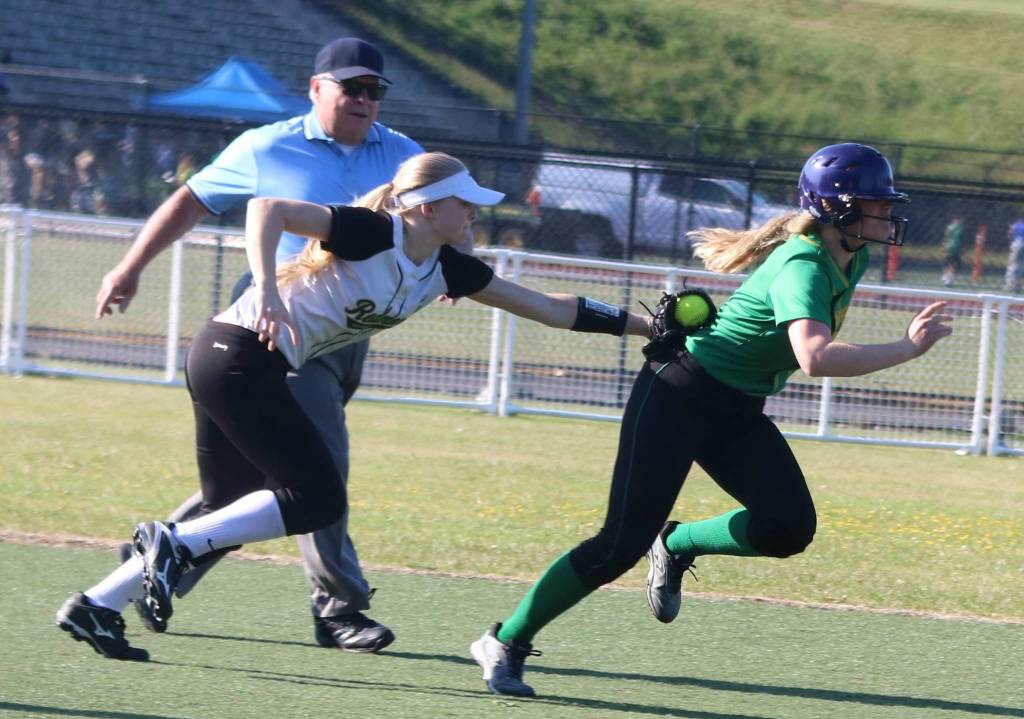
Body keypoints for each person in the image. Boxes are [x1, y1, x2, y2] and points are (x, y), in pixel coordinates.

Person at [56, 151, 652, 662]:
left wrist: (648, 325)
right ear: (426, 208)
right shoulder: (372, 231)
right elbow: (266, 208)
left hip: (234, 361)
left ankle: (97, 605)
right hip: (235, 355)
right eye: (464, 202)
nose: (475, 212)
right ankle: (172, 543)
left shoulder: (447, 268)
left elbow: (550, 308)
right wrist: (266, 289)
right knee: (316, 498)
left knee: (228, 504)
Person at [468, 143, 953, 698]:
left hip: (736, 406)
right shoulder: (804, 264)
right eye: (876, 202)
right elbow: (815, 357)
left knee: (788, 527)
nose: (887, 211)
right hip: (678, 391)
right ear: (835, 208)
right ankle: (504, 641)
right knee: (618, 544)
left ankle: (677, 543)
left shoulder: (851, 254)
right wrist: (906, 348)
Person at [93, 37, 423, 652]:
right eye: (351, 87)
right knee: (321, 468)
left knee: (255, 483)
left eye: (374, 89)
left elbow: (441, 215)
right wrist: (130, 266)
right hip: (277, 325)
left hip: (349, 331)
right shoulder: (266, 145)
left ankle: (152, 562)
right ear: (316, 88)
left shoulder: (405, 156)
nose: (364, 98)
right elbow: (191, 200)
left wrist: (453, 265)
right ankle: (339, 607)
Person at [940, 216, 964, 287]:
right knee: (953, 264)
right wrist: (962, 248)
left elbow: (946, 236)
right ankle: (948, 280)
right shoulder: (960, 228)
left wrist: (943, 245)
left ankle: (945, 276)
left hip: (949, 246)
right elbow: (960, 239)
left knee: (948, 262)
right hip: (955, 247)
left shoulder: (950, 227)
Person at [1005, 218, 1024, 294]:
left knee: (1013, 265)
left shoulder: (1015, 225)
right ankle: (1018, 285)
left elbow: (1009, 235)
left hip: (1017, 243)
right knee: (1021, 266)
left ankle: (1011, 285)